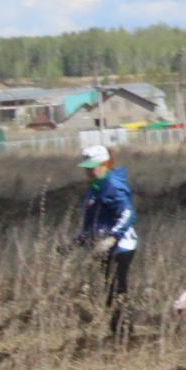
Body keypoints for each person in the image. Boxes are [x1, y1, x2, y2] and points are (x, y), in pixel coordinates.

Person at [75, 144, 139, 339]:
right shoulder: (93, 189)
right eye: (86, 167)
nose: (88, 171)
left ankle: (125, 332)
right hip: (103, 247)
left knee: (117, 289)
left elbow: (127, 214)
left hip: (121, 246)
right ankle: (118, 331)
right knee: (109, 290)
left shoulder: (112, 185)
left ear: (104, 164)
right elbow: (92, 222)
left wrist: (112, 237)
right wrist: (79, 240)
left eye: (92, 167)